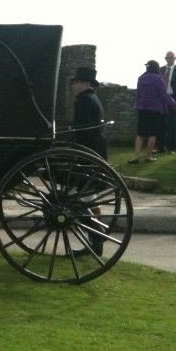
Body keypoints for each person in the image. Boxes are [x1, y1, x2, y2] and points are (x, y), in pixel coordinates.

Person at [68, 67, 107, 255]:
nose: (73, 86)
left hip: (86, 155)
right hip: (91, 153)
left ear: (85, 83)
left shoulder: (86, 101)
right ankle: (96, 242)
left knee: (78, 196)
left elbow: (82, 131)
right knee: (88, 198)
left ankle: (97, 236)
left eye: (75, 82)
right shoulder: (89, 100)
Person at [130, 60, 176, 164]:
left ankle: (135, 157)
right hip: (154, 110)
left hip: (142, 109)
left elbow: (138, 94)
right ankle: (148, 157)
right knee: (152, 134)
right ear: (156, 68)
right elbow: (164, 96)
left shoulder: (141, 78)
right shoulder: (158, 79)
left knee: (140, 134)